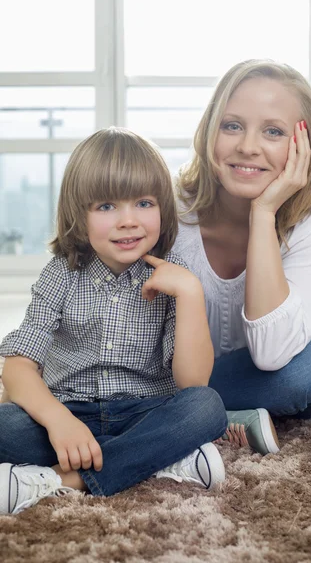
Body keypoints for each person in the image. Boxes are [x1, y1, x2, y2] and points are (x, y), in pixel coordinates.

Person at [0, 127, 227, 516]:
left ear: (163, 209)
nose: (128, 221)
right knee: (6, 425)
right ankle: (161, 463)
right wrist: (59, 421)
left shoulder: (177, 274)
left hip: (145, 412)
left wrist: (190, 294)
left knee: (206, 408)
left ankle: (60, 481)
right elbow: (18, 368)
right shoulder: (62, 273)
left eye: (143, 203)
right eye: (106, 206)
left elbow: (193, 383)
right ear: (79, 216)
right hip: (70, 413)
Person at [173, 59, 311, 456]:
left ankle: (170, 409)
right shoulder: (170, 207)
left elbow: (273, 356)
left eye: (273, 131)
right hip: (184, 369)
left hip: (268, 372)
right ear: (209, 130)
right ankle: (214, 413)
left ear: (301, 144)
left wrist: (264, 213)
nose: (247, 146)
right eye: (232, 125)